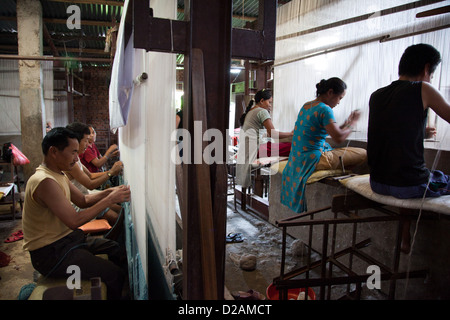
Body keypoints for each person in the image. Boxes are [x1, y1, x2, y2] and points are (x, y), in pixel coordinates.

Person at [22, 127, 131, 299]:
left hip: (65, 242)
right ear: (54, 152)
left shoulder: (58, 174)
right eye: (72, 152)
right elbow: (74, 220)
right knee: (114, 274)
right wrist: (109, 200)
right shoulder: (44, 181)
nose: (76, 157)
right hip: (51, 254)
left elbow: (83, 200)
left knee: (114, 248)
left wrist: (112, 191)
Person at [368, 43, 450, 199]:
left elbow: (388, 130)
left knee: (436, 175)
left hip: (377, 183)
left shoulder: (376, 95)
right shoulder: (423, 88)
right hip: (409, 185)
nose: (430, 80)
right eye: (432, 76)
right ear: (427, 68)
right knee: (441, 179)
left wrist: (421, 133)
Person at [281, 77, 366, 213]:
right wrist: (353, 123)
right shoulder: (324, 109)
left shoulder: (307, 105)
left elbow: (330, 130)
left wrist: (345, 124)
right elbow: (338, 138)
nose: (339, 103)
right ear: (330, 92)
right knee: (363, 153)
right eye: (340, 98)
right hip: (314, 160)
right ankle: (337, 170)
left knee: (333, 148)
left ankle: (338, 168)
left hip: (298, 159)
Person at [65, 122, 124, 225]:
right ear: (76, 141)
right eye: (86, 140)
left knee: (119, 209)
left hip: (85, 197)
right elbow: (90, 184)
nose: (88, 144)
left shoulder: (77, 156)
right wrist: (110, 173)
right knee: (117, 218)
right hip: (80, 202)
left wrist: (112, 171)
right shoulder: (71, 161)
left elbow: (91, 175)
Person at [236, 89, 294, 189]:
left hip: (249, 149)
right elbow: (273, 133)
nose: (270, 105)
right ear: (262, 101)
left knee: (284, 146)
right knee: (293, 147)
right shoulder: (262, 111)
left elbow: (265, 133)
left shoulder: (251, 111)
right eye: (269, 102)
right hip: (257, 149)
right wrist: (291, 134)